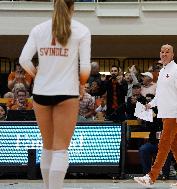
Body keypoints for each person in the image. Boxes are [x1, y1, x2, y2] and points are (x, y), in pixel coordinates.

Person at [19, 0, 91, 189]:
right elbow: (85, 67)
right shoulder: (81, 30)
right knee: (60, 149)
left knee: (48, 146)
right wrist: (81, 85)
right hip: (67, 93)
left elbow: (24, 59)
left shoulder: (38, 29)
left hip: (41, 92)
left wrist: (37, 75)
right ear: (73, 8)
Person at [134, 44, 177, 187]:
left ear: (173, 54)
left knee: (163, 145)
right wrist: (150, 104)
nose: (164, 54)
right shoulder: (162, 71)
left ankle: (151, 177)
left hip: (174, 115)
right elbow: (160, 95)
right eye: (162, 52)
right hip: (165, 114)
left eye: (167, 52)